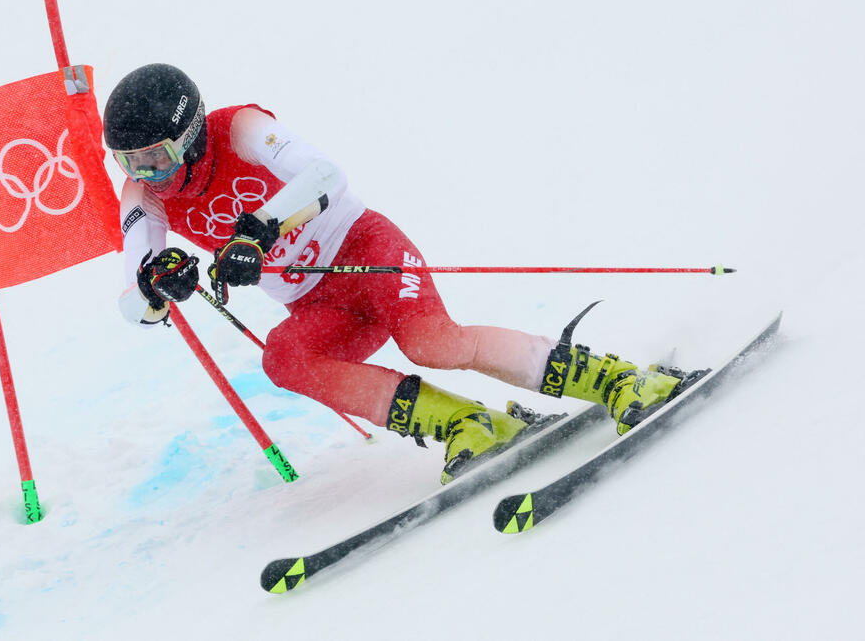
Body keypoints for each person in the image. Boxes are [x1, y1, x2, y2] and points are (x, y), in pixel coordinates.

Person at [103, 63, 693, 484]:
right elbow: (134, 296)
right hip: (317, 304)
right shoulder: (143, 196)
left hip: (366, 250)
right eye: (130, 162)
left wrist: (260, 230)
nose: (147, 173)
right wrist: (160, 283)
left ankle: (617, 381)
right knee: (283, 359)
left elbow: (326, 174)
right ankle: (467, 424)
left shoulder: (241, 128)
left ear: (190, 133)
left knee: (433, 343)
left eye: (156, 155)